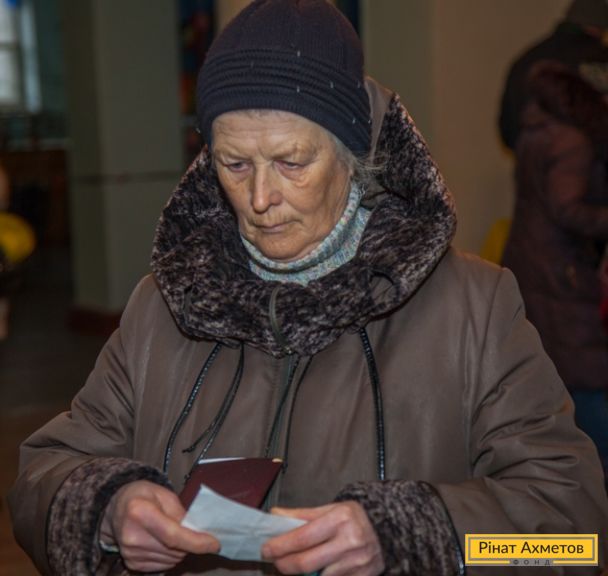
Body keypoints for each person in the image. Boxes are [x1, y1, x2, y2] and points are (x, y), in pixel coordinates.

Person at [8, 1, 608, 575]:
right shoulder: (161, 307)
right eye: (234, 164)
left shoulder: (475, 309)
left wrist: (410, 538)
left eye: (291, 162)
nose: (259, 198)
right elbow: (41, 478)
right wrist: (109, 511)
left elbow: (576, 541)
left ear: (353, 157)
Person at [501, 60, 608, 487]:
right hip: (562, 271)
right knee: (587, 378)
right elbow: (567, 208)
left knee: (554, 373)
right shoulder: (573, 140)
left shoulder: (534, 132)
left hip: (531, 263)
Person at [499, 0, 608, 152]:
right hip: (590, 161)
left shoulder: (527, 60)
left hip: (534, 160)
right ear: (598, 27)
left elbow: (508, 127)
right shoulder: (600, 58)